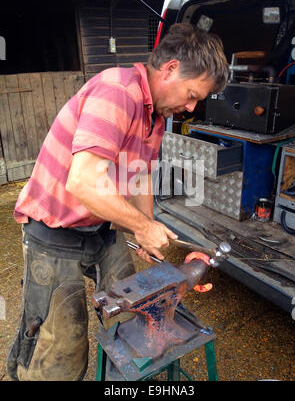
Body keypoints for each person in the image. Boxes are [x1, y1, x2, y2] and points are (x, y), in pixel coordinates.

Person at [7, 23, 229, 381]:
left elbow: (139, 175)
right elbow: (83, 182)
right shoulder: (116, 92)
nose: (189, 108)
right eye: (191, 95)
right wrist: (143, 226)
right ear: (170, 68)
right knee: (61, 349)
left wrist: (145, 226)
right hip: (53, 230)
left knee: (135, 317)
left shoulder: (156, 114)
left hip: (102, 226)